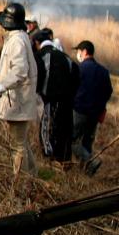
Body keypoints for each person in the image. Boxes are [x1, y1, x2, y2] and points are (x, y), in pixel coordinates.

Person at [0, 1, 41, 175]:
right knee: (21, 143)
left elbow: (19, 71)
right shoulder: (18, 38)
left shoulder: (17, 41)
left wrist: (1, 86)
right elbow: (8, 68)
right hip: (17, 101)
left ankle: (21, 182)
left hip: (17, 101)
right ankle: (32, 178)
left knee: (18, 147)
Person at [34, 28, 79, 162]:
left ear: (37, 42)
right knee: (65, 131)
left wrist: (38, 93)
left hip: (51, 99)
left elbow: (37, 77)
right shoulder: (65, 56)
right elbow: (76, 73)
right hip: (68, 101)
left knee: (48, 130)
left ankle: (49, 160)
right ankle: (65, 160)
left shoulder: (40, 55)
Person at [70, 40, 112, 174]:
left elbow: (71, 89)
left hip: (80, 110)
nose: (78, 54)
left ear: (84, 52)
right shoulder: (103, 71)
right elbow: (108, 91)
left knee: (72, 140)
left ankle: (91, 161)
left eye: (78, 51)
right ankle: (87, 172)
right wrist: (100, 106)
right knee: (87, 141)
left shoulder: (79, 68)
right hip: (95, 113)